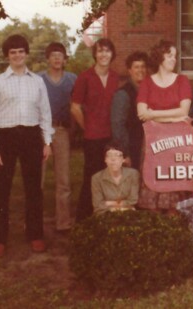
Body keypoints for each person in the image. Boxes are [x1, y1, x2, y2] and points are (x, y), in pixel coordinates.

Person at [0, 34, 53, 257]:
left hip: (32, 137)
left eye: (21, 51)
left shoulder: (37, 81)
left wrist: (47, 141)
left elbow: (45, 113)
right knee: (1, 190)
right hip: (6, 138)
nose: (17, 55)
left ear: (26, 53)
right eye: (13, 52)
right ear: (7, 56)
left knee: (34, 189)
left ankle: (35, 235)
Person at [137, 40, 192, 212]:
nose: (173, 60)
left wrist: (153, 115)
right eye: (170, 56)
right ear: (160, 57)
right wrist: (173, 116)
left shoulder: (182, 80)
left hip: (176, 141)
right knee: (153, 177)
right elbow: (141, 112)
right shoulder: (147, 82)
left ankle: (174, 229)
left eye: (175, 56)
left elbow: (184, 111)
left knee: (175, 182)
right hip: (153, 140)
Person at [71, 38, 120, 222]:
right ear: (95, 55)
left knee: (112, 178)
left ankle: (106, 220)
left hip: (112, 137)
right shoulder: (85, 77)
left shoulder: (116, 77)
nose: (103, 54)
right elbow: (75, 107)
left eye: (107, 51)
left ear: (112, 54)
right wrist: (87, 126)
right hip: (92, 137)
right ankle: (84, 222)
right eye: (100, 51)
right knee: (92, 180)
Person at [39, 42, 77, 233]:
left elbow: (77, 104)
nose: (56, 58)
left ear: (64, 59)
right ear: (48, 58)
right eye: (53, 55)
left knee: (64, 180)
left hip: (61, 131)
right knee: (37, 178)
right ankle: (34, 222)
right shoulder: (39, 79)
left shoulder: (72, 79)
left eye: (60, 55)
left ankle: (63, 222)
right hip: (41, 132)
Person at [111, 51, 149, 170]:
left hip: (147, 146)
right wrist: (125, 153)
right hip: (131, 149)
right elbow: (117, 126)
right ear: (129, 70)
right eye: (136, 67)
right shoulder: (123, 94)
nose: (140, 70)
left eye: (143, 67)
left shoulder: (148, 91)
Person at [92, 144, 140, 215]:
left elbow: (133, 200)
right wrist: (122, 204)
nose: (113, 159)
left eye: (117, 155)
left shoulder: (133, 174)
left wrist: (108, 203)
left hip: (127, 213)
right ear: (105, 159)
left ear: (123, 159)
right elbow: (97, 205)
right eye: (109, 155)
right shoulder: (97, 178)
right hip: (104, 214)